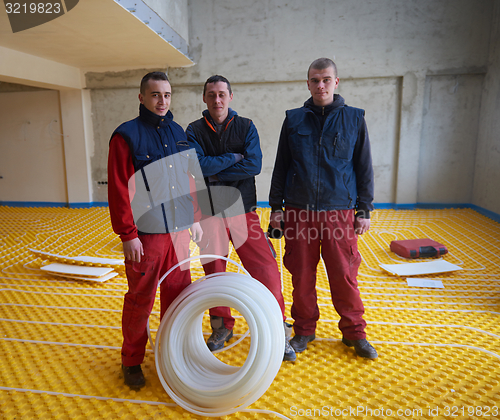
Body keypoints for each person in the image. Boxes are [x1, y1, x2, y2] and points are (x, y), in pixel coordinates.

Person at [269, 58, 378, 359]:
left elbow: (364, 167)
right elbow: (281, 166)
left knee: (344, 274)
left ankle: (355, 333)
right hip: (298, 211)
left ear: (336, 82)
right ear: (308, 83)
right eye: (315, 80)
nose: (320, 85)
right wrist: (276, 208)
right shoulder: (293, 119)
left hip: (339, 211)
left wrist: (364, 209)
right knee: (301, 275)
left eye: (326, 80)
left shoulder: (354, 119)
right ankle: (304, 330)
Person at [186, 75, 296, 362]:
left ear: (230, 97)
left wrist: (215, 172)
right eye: (211, 95)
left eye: (222, 94)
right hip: (210, 213)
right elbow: (196, 166)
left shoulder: (246, 126)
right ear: (204, 98)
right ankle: (221, 327)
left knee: (266, 269)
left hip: (243, 212)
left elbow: (254, 165)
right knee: (214, 273)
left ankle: (278, 327)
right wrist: (234, 159)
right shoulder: (194, 130)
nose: (217, 100)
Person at [108, 71, 203, 389]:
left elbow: (190, 180)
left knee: (177, 299)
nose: (162, 101)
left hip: (178, 234)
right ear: (141, 98)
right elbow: (120, 189)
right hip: (146, 236)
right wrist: (128, 234)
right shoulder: (126, 136)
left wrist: (197, 218)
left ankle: (170, 354)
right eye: (155, 95)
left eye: (167, 95)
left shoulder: (178, 133)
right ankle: (132, 361)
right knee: (140, 299)